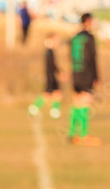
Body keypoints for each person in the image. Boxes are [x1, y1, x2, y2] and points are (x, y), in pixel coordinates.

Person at [68, 13, 100, 146]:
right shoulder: (89, 38)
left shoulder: (74, 38)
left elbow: (70, 57)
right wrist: (96, 76)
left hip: (75, 73)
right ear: (88, 21)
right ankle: (85, 135)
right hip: (86, 74)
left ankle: (72, 134)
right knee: (86, 103)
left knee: (76, 103)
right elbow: (92, 58)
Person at [28, 32, 63, 119]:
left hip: (51, 76)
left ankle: (54, 111)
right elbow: (52, 65)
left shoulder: (50, 51)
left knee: (56, 94)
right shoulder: (49, 51)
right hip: (51, 77)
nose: (58, 42)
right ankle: (35, 108)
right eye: (56, 40)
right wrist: (59, 73)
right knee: (48, 95)